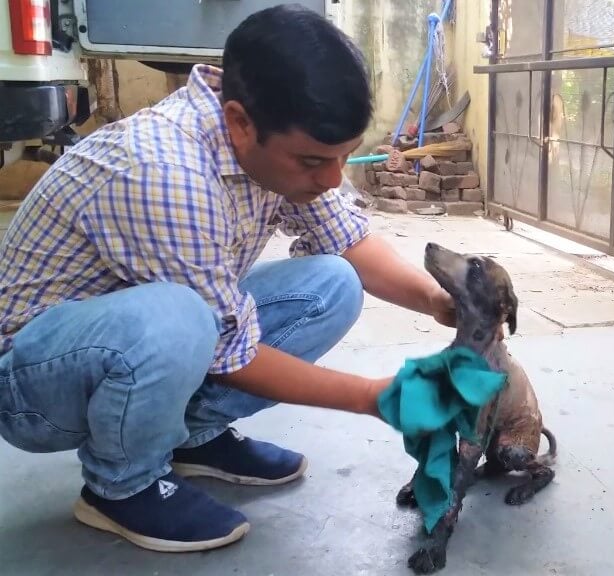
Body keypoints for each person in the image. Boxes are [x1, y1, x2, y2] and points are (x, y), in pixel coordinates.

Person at [0, 5, 455, 553]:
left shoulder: (267, 143)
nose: (332, 177)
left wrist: (437, 299)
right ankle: (120, 487)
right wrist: (373, 396)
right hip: (34, 384)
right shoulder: (168, 174)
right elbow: (228, 352)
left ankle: (192, 439)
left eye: (345, 157)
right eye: (313, 161)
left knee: (333, 282)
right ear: (240, 122)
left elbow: (349, 242)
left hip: (144, 341)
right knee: (180, 317)